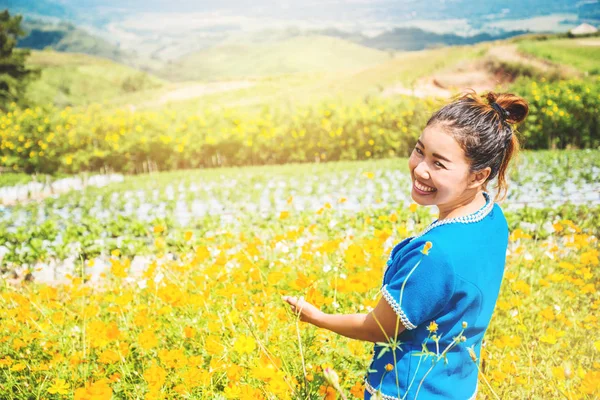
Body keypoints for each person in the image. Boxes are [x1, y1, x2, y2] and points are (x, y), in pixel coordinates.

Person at [283, 90, 529, 400]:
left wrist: (316, 318)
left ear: (478, 176)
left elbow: (379, 328)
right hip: (457, 387)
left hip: (407, 391)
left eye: (439, 164)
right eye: (419, 150)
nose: (420, 169)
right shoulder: (492, 217)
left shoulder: (435, 253)